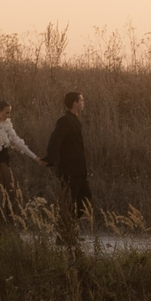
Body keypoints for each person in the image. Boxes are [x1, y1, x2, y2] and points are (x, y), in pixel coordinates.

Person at [46, 89, 92, 252]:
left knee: (85, 202)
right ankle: (64, 236)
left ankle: (69, 232)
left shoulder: (75, 120)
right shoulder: (65, 121)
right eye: (81, 100)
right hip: (69, 171)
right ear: (75, 103)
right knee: (67, 204)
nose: (83, 103)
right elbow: (54, 140)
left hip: (79, 171)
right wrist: (50, 160)